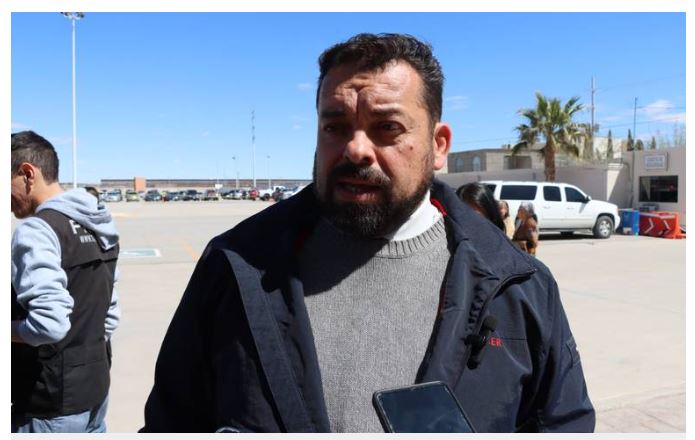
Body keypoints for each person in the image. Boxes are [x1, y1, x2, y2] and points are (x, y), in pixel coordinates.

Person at [142, 33, 594, 433]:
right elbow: (172, 422)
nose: (356, 148)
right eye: (335, 126)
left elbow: (562, 422)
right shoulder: (236, 267)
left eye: (387, 128)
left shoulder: (517, 284)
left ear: (438, 145)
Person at [11, 131, 121, 433]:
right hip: (95, 390)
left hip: (49, 401)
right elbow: (110, 316)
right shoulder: (100, 224)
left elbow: (49, 325)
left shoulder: (37, 230)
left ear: (27, 174)